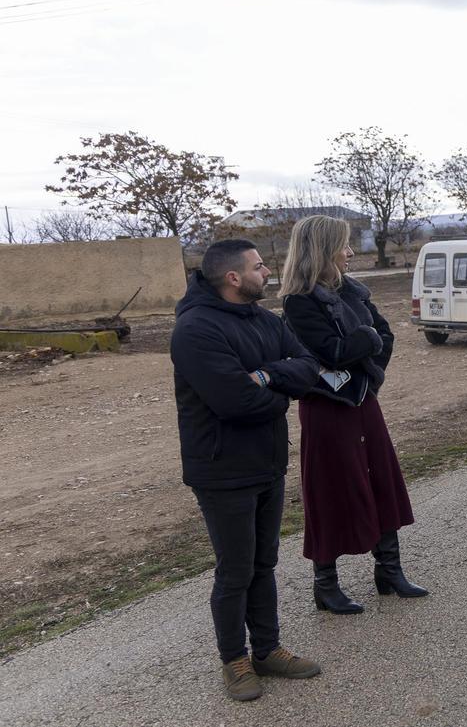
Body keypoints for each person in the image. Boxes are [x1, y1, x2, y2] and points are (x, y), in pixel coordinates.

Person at [170, 239, 321, 702]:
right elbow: (233, 401)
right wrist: (281, 392)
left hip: (267, 462)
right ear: (233, 278)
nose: (267, 273)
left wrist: (265, 376)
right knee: (235, 570)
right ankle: (234, 659)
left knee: (264, 562)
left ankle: (268, 649)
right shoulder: (195, 329)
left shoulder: (264, 320)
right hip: (221, 470)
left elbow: (310, 367)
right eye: (259, 267)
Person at [280, 215, 427, 616]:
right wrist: (362, 344)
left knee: (381, 477)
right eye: (342, 246)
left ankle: (389, 571)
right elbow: (334, 351)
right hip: (327, 409)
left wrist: (368, 371)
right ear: (322, 250)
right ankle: (325, 585)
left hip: (363, 399)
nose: (349, 253)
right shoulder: (299, 303)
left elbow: (384, 336)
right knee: (330, 491)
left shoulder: (352, 292)